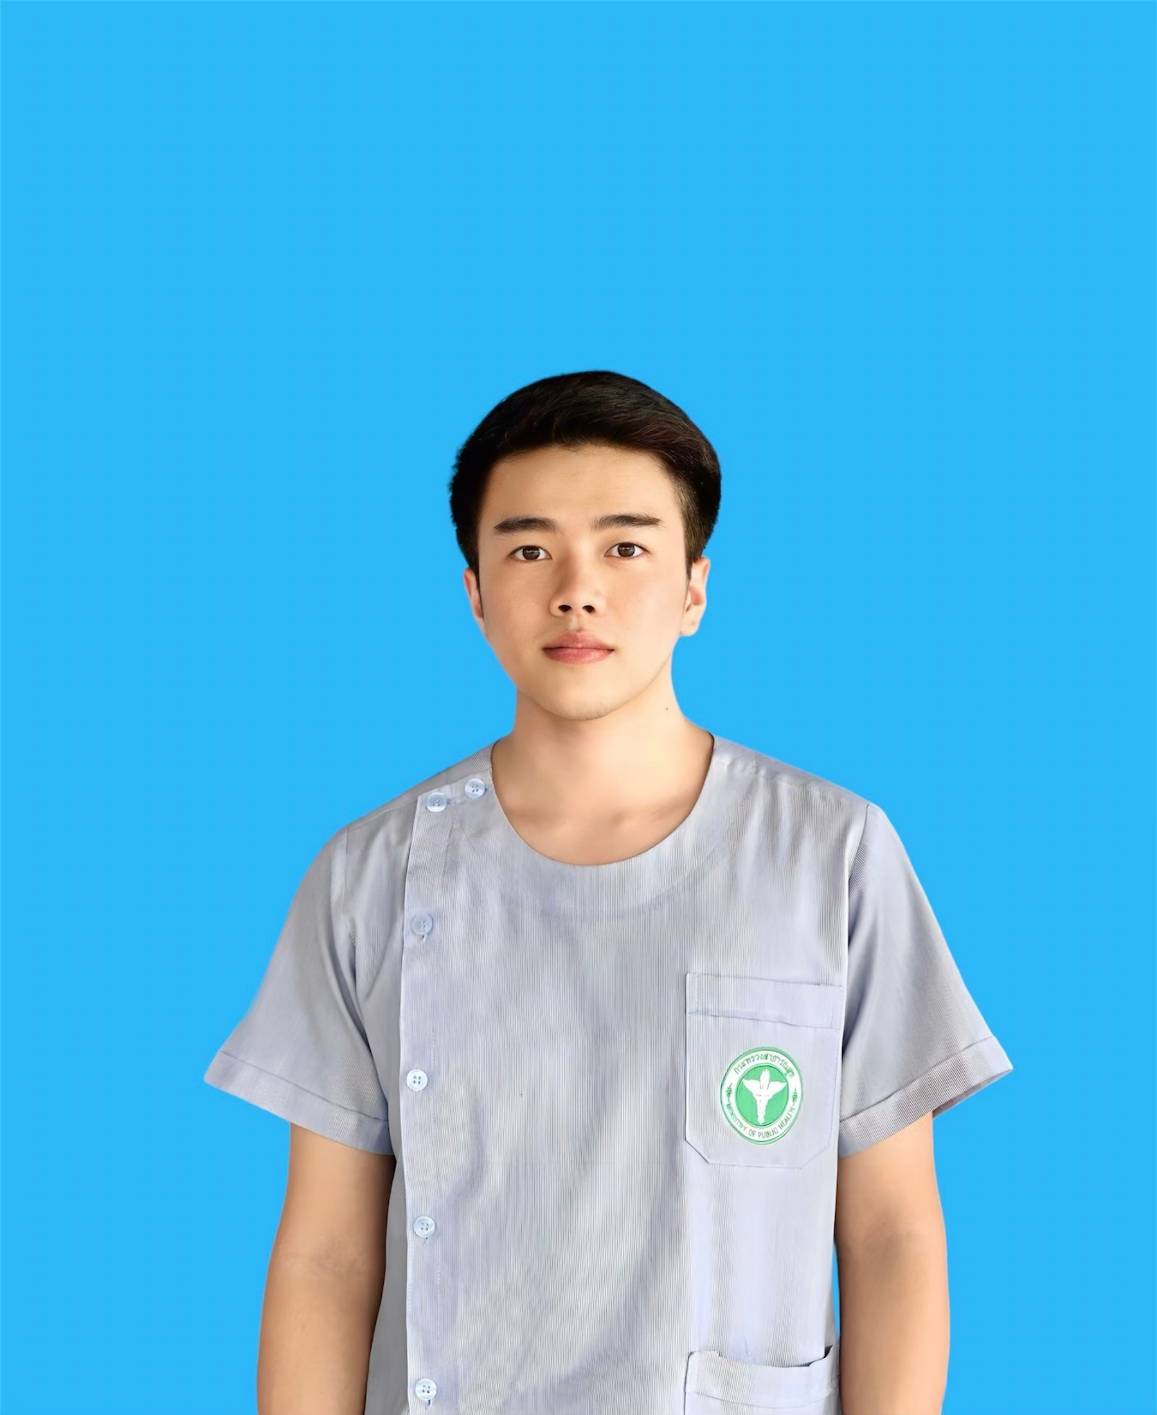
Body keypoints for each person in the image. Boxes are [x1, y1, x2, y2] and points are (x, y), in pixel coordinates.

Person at [204, 369, 1014, 1415]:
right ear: (474, 592)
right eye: (528, 549)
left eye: (625, 547)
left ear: (693, 589)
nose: (575, 590)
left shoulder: (831, 852)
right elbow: (327, 1253)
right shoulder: (370, 873)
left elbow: (889, 1230)